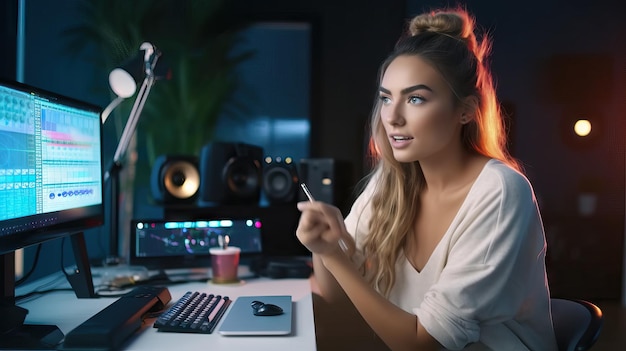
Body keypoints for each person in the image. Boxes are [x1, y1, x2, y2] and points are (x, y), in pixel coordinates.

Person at [295, 7, 558, 351]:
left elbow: (423, 344)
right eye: (386, 98)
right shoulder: (389, 184)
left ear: (465, 110)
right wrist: (326, 250)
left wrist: (336, 259)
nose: (392, 117)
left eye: (415, 98)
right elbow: (338, 296)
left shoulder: (501, 191)